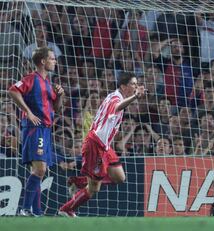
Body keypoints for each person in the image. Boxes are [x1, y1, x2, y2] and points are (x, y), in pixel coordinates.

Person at [58, 72, 146, 217]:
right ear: (124, 86)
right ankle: (66, 209)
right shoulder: (116, 98)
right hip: (95, 144)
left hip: (104, 145)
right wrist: (135, 96)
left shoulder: (114, 95)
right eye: (133, 84)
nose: (136, 86)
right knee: (94, 188)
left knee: (119, 177)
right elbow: (116, 108)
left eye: (137, 84)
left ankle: (79, 182)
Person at [8, 46, 64, 216]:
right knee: (39, 170)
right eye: (52, 58)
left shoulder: (48, 83)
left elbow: (57, 109)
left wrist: (60, 96)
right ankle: (24, 209)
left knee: (40, 170)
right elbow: (12, 90)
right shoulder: (31, 79)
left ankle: (37, 211)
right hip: (35, 128)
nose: (55, 61)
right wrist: (29, 112)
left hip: (46, 129)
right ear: (43, 61)